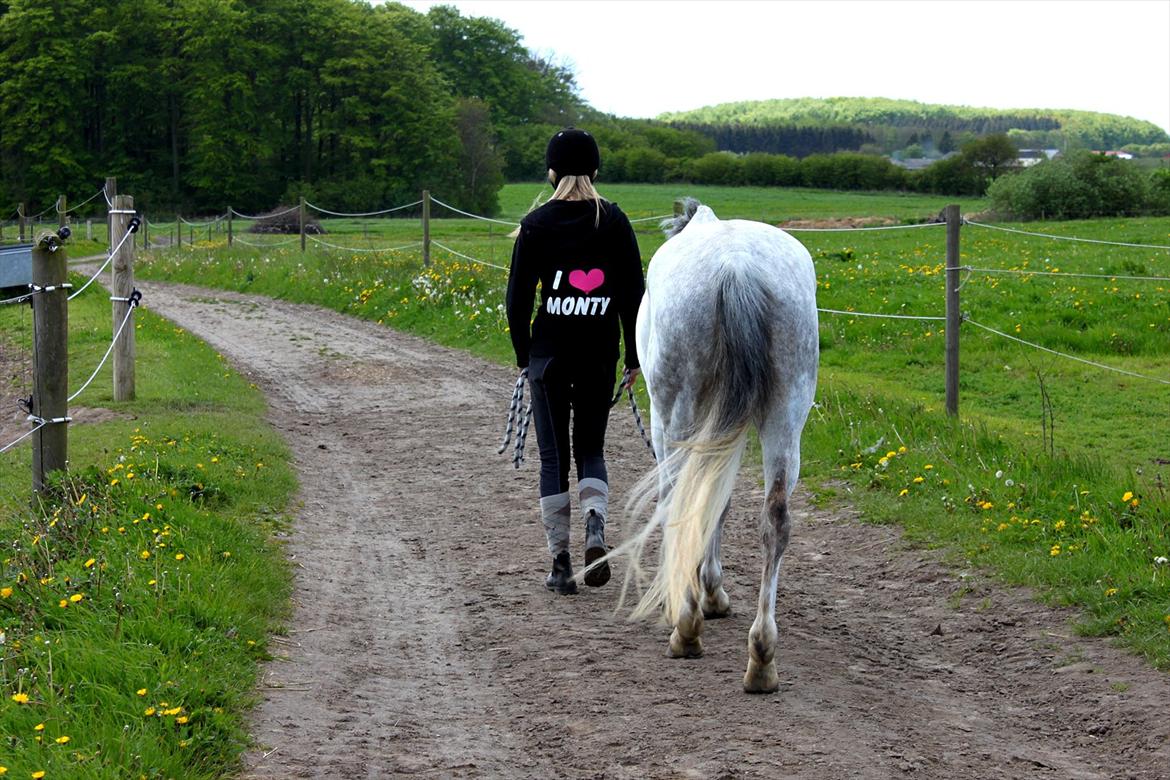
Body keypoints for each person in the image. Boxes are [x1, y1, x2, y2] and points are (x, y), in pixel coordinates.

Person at [505, 127, 645, 596]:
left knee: (553, 458)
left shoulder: (535, 224)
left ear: (551, 172)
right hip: (598, 354)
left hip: (548, 357)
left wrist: (525, 357)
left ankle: (561, 564)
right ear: (596, 170)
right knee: (590, 450)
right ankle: (595, 525)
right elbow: (633, 294)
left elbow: (517, 300)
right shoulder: (615, 220)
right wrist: (634, 357)